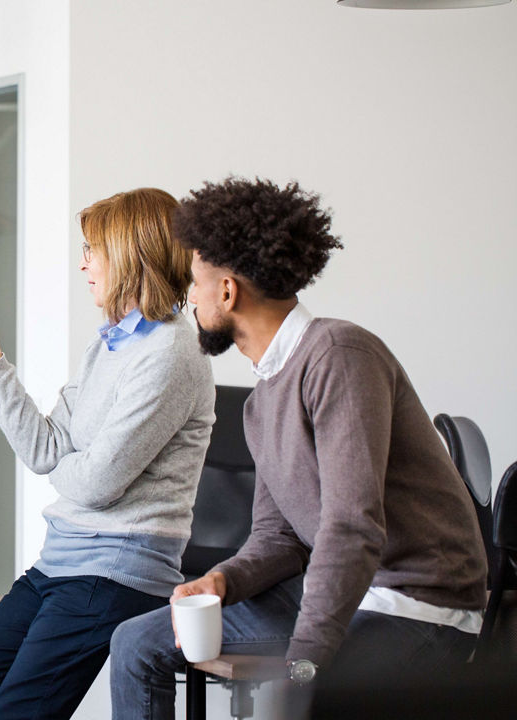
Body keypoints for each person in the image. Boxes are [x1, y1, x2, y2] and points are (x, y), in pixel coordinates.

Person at [109, 177, 487, 719]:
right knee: (136, 643)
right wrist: (223, 580)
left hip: (415, 607)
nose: (189, 297)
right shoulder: (263, 401)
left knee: (297, 699)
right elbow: (279, 536)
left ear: (227, 291)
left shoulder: (339, 354)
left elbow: (352, 526)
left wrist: (304, 666)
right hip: (338, 596)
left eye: (194, 282)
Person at [0, 188, 215, 720]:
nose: (83, 263)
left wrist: (74, 464)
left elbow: (98, 484)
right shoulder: (110, 341)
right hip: (60, 561)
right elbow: (46, 452)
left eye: (93, 249)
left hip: (117, 571)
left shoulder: (173, 351)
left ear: (130, 255)